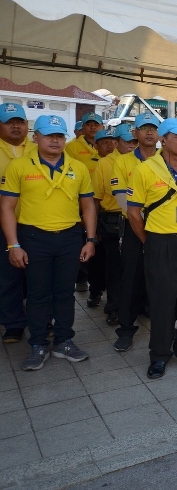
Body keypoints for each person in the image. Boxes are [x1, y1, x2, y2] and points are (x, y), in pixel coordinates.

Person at [0, 115, 96, 371]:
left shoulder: (78, 167)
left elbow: (88, 205)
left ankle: (64, 341)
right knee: (38, 293)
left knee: (65, 292)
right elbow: (6, 207)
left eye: (59, 135)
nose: (55, 140)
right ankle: (38, 344)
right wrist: (13, 245)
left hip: (70, 237)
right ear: (36, 137)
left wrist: (90, 239)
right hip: (33, 237)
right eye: (49, 135)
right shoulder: (19, 166)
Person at [127, 118, 177, 379]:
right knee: (162, 301)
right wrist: (149, 241)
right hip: (161, 241)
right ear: (163, 139)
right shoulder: (145, 170)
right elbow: (133, 212)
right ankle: (160, 355)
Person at [111, 112, 159, 352]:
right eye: (144, 128)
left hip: (162, 226)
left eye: (153, 128)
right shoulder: (122, 162)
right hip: (133, 224)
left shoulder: (167, 158)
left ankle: (159, 320)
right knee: (130, 276)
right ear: (135, 133)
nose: (149, 132)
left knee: (161, 276)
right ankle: (126, 329)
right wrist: (141, 228)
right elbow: (122, 200)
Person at [92, 123, 137, 326]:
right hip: (114, 221)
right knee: (115, 268)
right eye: (128, 142)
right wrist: (93, 229)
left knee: (139, 266)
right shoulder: (105, 164)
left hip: (142, 219)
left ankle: (139, 304)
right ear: (117, 142)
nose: (132, 145)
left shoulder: (145, 160)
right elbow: (96, 198)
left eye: (134, 141)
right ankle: (114, 307)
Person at [0, 103, 36, 344]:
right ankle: (13, 323)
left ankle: (42, 321)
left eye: (20, 122)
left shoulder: (38, 148)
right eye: (9, 122)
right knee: (8, 276)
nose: (16, 126)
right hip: (4, 225)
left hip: (35, 223)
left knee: (38, 277)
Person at [67, 112, 103, 293]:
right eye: (89, 124)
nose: (93, 127)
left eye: (96, 124)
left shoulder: (107, 144)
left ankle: (97, 281)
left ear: (102, 127)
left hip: (102, 199)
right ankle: (81, 278)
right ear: (83, 127)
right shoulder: (72, 147)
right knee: (82, 239)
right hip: (81, 199)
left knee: (99, 241)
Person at [85, 128, 118, 315]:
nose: (110, 145)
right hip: (99, 215)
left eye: (112, 141)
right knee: (97, 259)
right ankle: (95, 291)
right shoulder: (89, 163)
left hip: (116, 218)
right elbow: (94, 199)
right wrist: (93, 224)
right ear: (95, 146)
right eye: (104, 142)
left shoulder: (121, 162)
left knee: (113, 263)